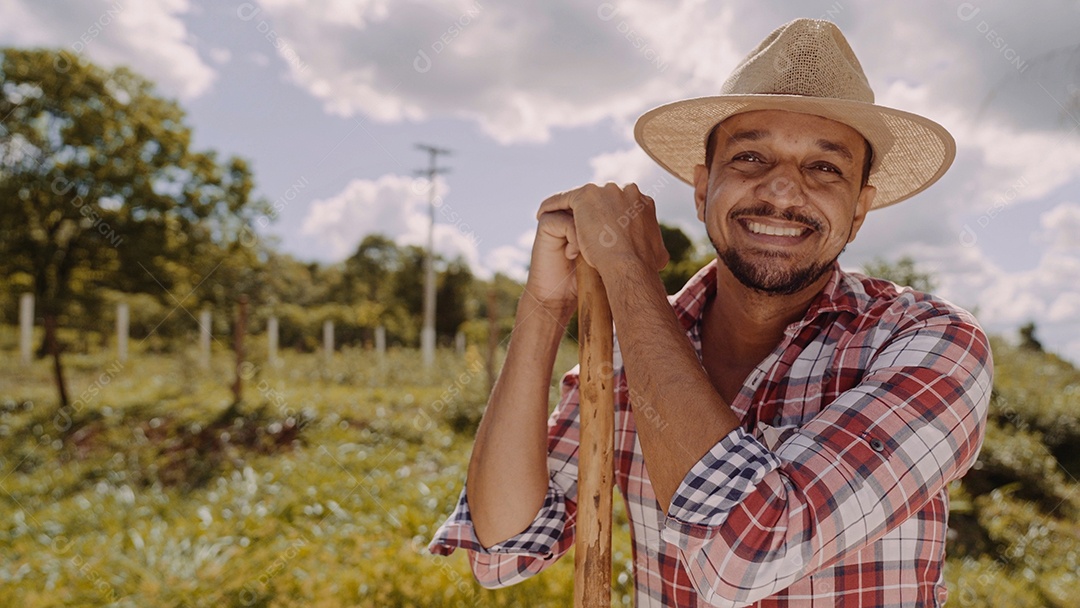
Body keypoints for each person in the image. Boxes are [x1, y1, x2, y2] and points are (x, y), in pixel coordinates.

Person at [429, 17, 992, 607]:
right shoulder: (624, 358)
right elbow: (504, 546)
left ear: (859, 210)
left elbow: (749, 555)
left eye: (825, 168)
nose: (781, 191)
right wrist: (546, 307)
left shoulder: (930, 343)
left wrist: (628, 273)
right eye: (751, 157)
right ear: (702, 189)